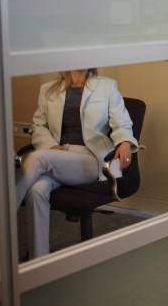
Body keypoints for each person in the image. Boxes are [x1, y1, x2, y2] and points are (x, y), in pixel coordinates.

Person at [17, 69, 138, 258]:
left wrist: (124, 143)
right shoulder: (48, 89)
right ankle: (37, 260)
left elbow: (122, 123)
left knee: (39, 158)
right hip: (58, 155)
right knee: (37, 190)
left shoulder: (107, 86)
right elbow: (38, 125)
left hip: (93, 159)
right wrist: (50, 146)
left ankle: (2, 214)